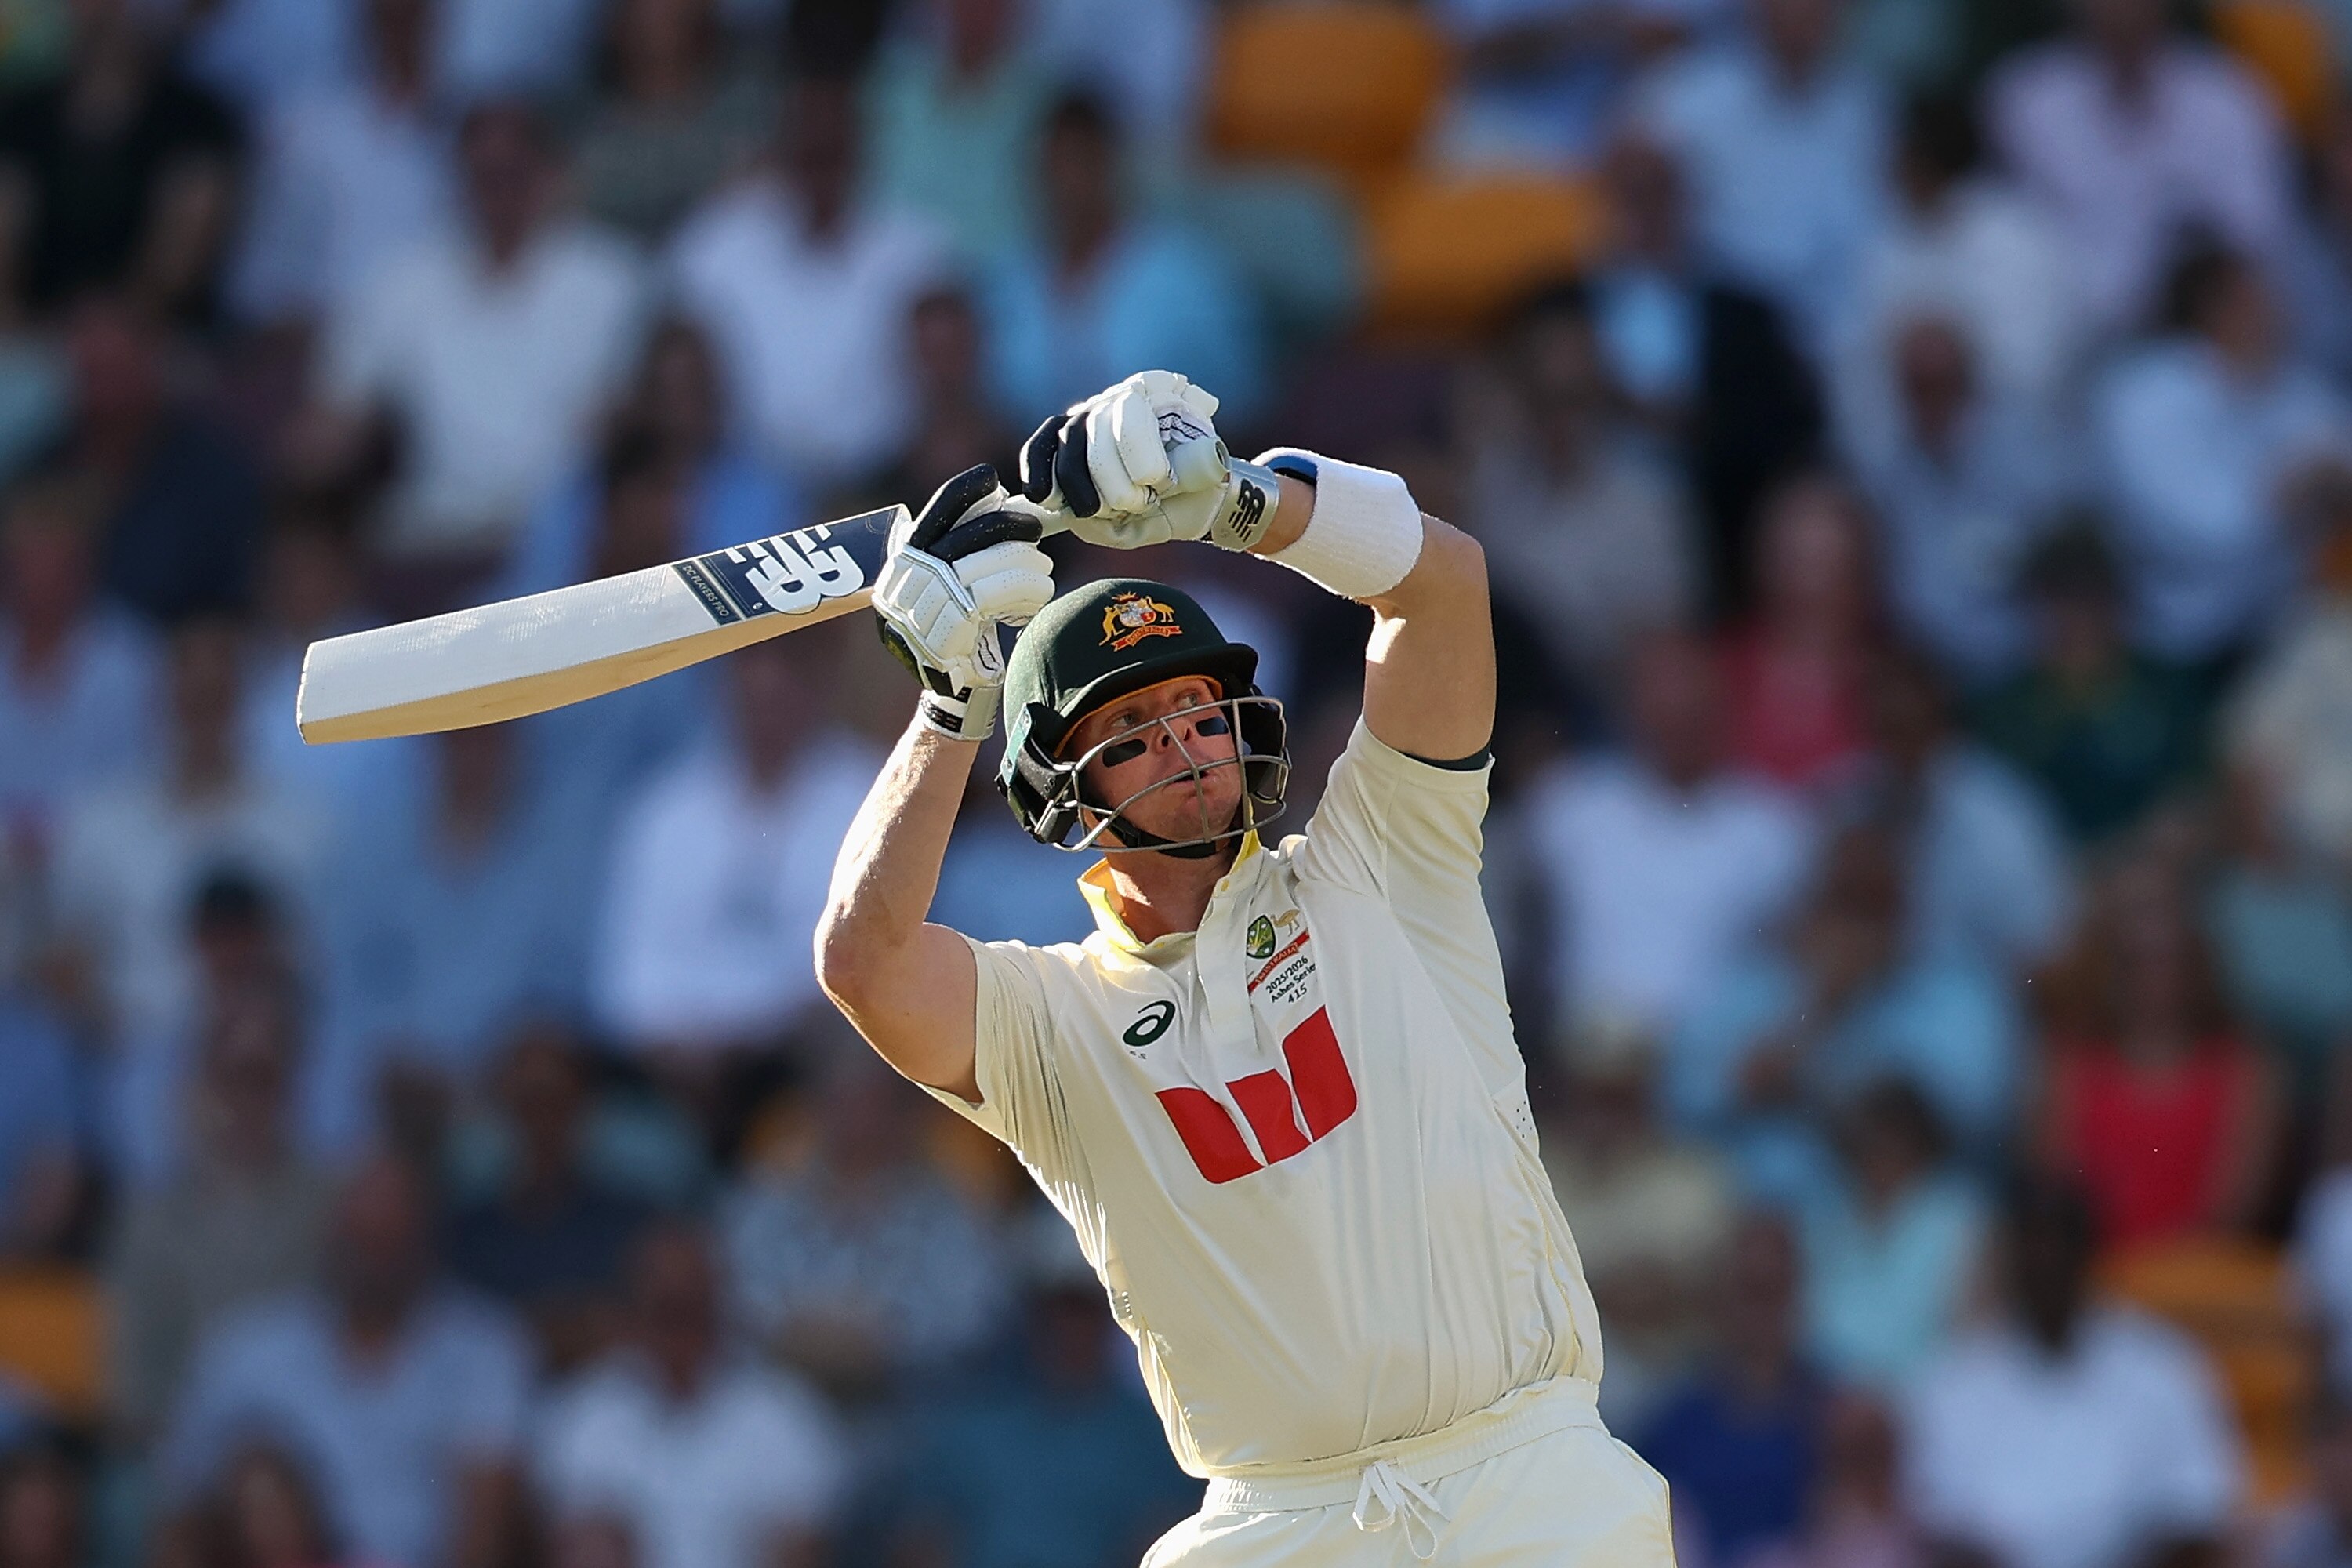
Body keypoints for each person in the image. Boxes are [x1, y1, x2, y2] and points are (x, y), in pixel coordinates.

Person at [817, 369, 1675, 1564]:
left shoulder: (1383, 858)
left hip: (1524, 1486)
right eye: (1129, 726)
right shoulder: (1051, 1022)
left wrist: (1234, 503)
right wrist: (950, 705)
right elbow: (865, 961)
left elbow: (1445, 588)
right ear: (1062, 795)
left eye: (1197, 705)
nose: (1180, 738)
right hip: (1275, 1524)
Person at [161, 1152, 533, 1568]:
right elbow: (183, 1514)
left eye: (390, 1240)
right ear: (332, 1236)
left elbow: (485, 1527)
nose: (373, 1262)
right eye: (362, 1239)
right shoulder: (246, 1349)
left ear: (426, 1242)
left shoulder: (484, 1347)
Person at [1902, 1176, 2245, 1568]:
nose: (2046, 1260)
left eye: (2060, 1242)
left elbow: (2198, 1512)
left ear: (2090, 1254)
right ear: (2009, 1257)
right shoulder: (1954, 1380)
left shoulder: (2164, 1366)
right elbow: (1939, 1526)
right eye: (2032, 1243)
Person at [1528, 629, 1817, 1038]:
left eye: (1691, 710)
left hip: (1714, 1064)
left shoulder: (1773, 827)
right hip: (1577, 1058)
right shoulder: (1567, 807)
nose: (1677, 724)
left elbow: (1793, 961)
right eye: (1662, 708)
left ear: (1721, 710)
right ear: (1631, 709)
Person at [533, 1222, 844, 1568]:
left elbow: (800, 1549)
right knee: (592, 1545)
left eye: (692, 1309)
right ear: (632, 1310)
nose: (680, 1332)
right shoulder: (585, 1413)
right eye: (665, 1311)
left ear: (721, 1305)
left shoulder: (784, 1412)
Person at [1985, 0, 2292, 336]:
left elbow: (2255, 234)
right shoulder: (2024, 98)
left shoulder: (2228, 96)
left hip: (2192, 343)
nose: (2122, 9)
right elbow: (2002, 236)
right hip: (2058, 337)